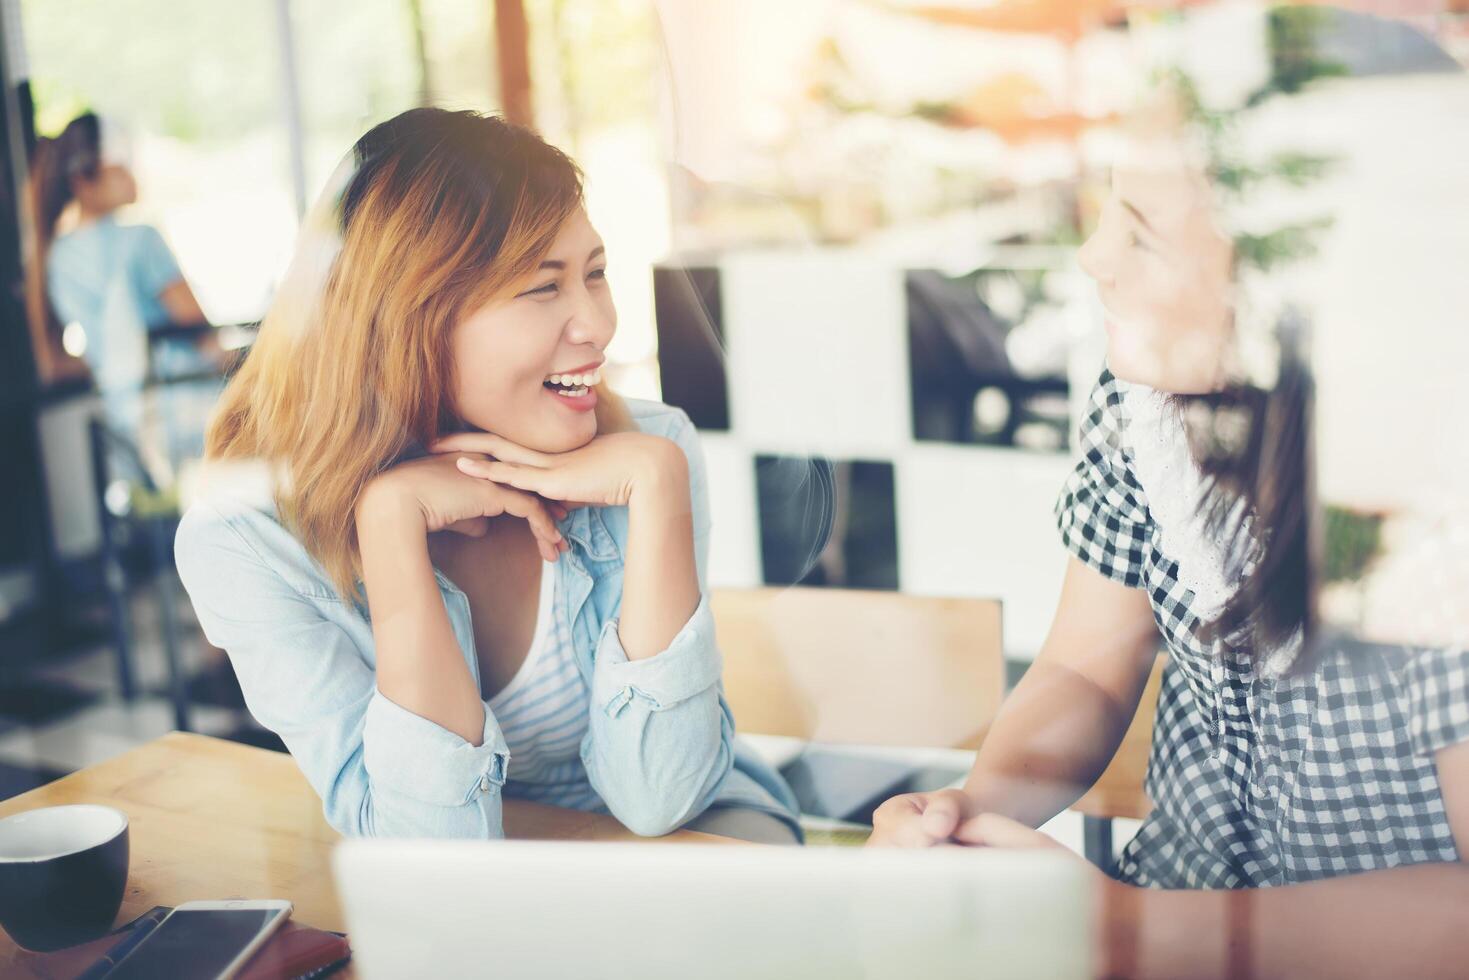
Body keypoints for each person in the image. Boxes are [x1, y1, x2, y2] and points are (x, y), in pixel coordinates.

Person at [867, 88, 1469, 977]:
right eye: (1105, 203)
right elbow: (1083, 668)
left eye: (1142, 232)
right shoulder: (1143, 407)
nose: (1092, 254)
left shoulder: (1429, 493)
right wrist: (966, 819)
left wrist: (1136, 928)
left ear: (1297, 294)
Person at [173, 107, 800, 844]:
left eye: (595, 275)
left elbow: (662, 797)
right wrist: (390, 527)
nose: (597, 326)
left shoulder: (646, 450)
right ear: (408, 318)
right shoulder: (245, 542)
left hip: (687, 842)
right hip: (480, 890)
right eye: (543, 288)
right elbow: (428, 847)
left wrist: (659, 484)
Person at [25, 111, 222, 460]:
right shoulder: (140, 241)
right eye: (120, 165)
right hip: (191, 418)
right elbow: (203, 337)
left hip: (129, 436)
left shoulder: (55, 260)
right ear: (83, 180)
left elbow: (56, 363)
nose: (133, 174)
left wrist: (114, 365)